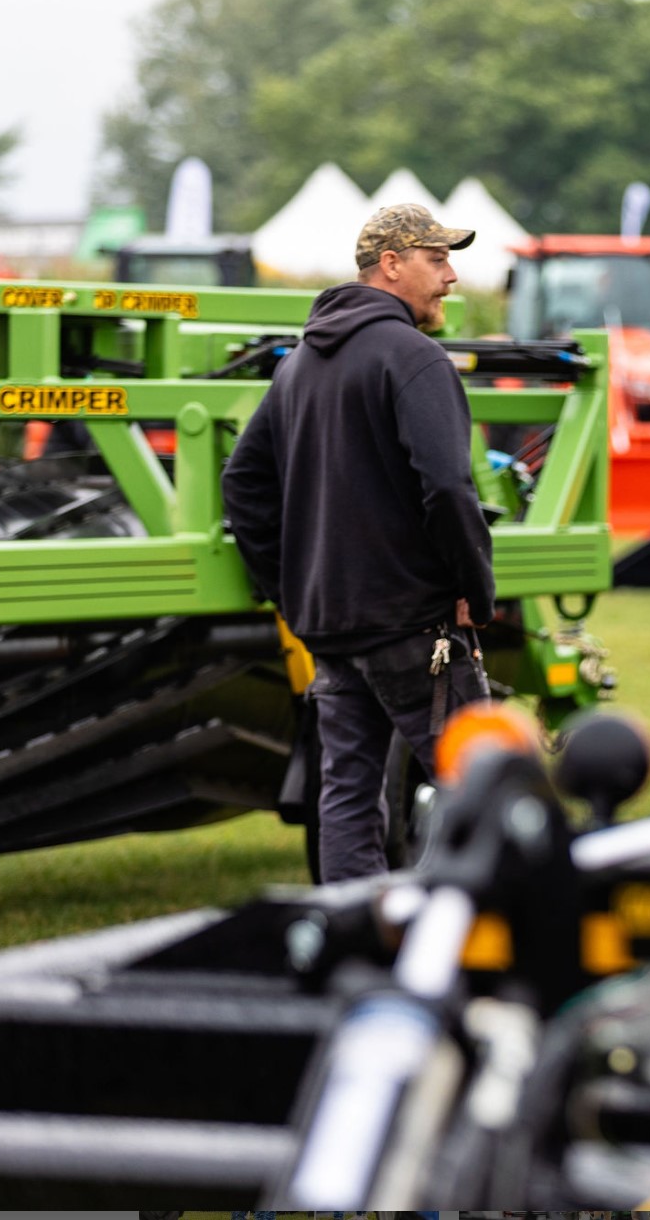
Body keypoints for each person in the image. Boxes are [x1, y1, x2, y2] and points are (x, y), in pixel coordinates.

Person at [222, 203, 495, 882]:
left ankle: (354, 941)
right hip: (412, 625)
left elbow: (242, 484)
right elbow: (449, 489)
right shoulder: (413, 357)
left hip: (332, 629)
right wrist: (475, 590)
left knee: (346, 797)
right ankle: (479, 942)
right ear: (392, 265)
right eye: (437, 260)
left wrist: (291, 589)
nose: (452, 277)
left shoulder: (299, 365)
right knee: (486, 788)